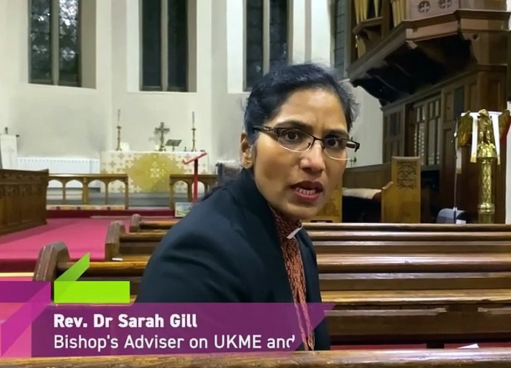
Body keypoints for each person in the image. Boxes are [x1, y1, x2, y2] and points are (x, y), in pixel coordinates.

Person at [136, 63, 360, 351]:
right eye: (292, 135)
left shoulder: (295, 237)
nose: (315, 162)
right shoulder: (199, 255)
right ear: (246, 149)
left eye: (333, 141)